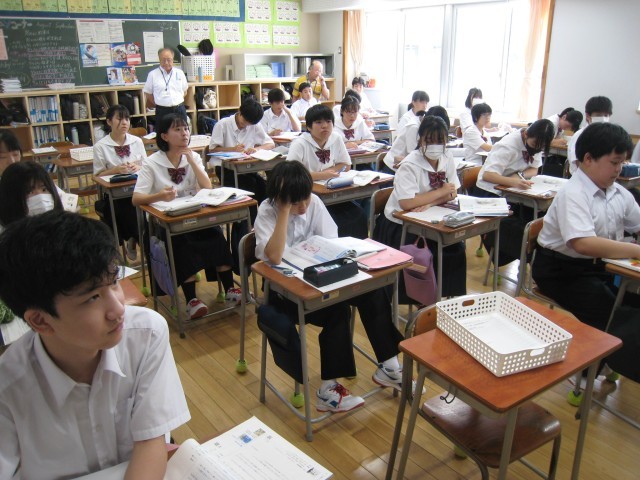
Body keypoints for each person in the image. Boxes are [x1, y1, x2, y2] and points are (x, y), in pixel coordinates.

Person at [0, 210, 190, 479]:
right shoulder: (8, 386)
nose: (118, 309)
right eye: (92, 298)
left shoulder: (145, 335)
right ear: (40, 321)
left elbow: (150, 442)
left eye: (114, 282)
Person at [254, 161, 406, 412]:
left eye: (305, 199)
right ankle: (328, 389)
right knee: (337, 310)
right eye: (295, 203)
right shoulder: (267, 211)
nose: (303, 207)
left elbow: (330, 242)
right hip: (285, 293)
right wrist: (283, 212)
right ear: (280, 199)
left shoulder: (313, 201)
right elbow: (274, 256)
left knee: (373, 293)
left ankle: (389, 366)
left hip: (320, 278)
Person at [533, 122, 640, 335]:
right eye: (614, 162)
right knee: (614, 315)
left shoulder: (618, 192)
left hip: (600, 267)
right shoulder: (573, 193)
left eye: (622, 162)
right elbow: (583, 244)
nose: (619, 169)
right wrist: (636, 250)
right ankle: (602, 354)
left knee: (632, 303)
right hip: (561, 271)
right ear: (589, 159)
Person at [133, 113, 237, 319]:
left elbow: (207, 187)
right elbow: (136, 198)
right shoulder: (152, 162)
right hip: (166, 220)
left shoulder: (192, 157)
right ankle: (192, 300)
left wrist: (192, 162)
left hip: (193, 213)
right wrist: (159, 195)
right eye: (178, 129)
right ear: (164, 136)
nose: (184, 133)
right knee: (182, 245)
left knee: (217, 237)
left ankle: (230, 288)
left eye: (186, 128)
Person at [373, 115, 466, 297]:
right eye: (429, 140)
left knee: (456, 250)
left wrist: (429, 202)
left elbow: (453, 192)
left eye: (440, 140)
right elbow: (407, 203)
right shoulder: (409, 164)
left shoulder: (447, 157)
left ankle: (444, 300)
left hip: (430, 217)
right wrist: (440, 192)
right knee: (430, 253)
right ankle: (424, 299)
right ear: (420, 139)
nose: (434, 145)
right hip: (401, 225)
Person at [474, 118, 555, 265]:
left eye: (541, 147)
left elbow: (534, 169)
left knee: (537, 215)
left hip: (512, 190)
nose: (536, 150)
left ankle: (529, 256)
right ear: (526, 134)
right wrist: (514, 181)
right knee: (516, 226)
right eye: (534, 145)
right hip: (489, 191)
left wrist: (519, 176)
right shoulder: (507, 145)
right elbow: (488, 175)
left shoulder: (536, 142)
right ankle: (512, 256)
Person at [287, 104, 368, 238]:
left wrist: (331, 171)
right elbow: (291, 174)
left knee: (359, 214)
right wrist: (321, 175)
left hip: (333, 190)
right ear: (309, 127)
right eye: (318, 122)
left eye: (328, 121)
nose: (325, 126)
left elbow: (346, 164)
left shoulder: (335, 138)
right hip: (308, 196)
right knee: (336, 221)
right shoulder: (300, 143)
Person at [93, 104, 147, 261]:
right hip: (115, 195)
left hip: (137, 188)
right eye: (119, 119)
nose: (124, 122)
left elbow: (146, 165)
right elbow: (97, 175)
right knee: (126, 211)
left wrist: (138, 166)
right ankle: (133, 239)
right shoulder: (100, 146)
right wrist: (115, 170)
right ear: (109, 121)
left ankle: (136, 239)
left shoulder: (137, 141)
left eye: (127, 119)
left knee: (142, 209)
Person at [0, 161, 64, 230]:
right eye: (29, 192)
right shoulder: (6, 234)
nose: (40, 197)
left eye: (44, 189)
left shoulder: (62, 227)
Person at [143, 47, 189, 127]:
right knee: (162, 133)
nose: (166, 62)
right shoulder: (152, 74)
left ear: (173, 59)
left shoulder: (180, 73)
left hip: (179, 109)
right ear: (159, 60)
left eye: (169, 60)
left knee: (182, 132)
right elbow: (148, 93)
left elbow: (185, 91)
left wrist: (176, 100)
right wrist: (159, 102)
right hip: (162, 111)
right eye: (163, 60)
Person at [568, 96, 613, 175]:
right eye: (598, 115)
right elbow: (579, 164)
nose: (603, 119)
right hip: (582, 178)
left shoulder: (608, 135)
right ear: (588, 116)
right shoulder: (580, 135)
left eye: (606, 115)